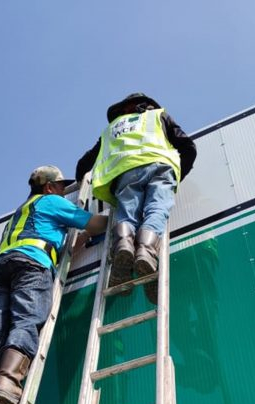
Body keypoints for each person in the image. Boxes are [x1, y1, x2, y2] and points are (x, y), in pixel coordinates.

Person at [0, 165, 108, 404]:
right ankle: (7, 385)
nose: (64, 192)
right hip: (31, 265)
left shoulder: (20, 214)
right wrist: (117, 217)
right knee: (26, 319)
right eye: (61, 187)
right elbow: (92, 223)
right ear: (49, 187)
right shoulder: (50, 201)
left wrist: (78, 241)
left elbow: (57, 250)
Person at [75, 93, 196, 303]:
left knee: (127, 214)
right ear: (146, 104)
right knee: (157, 209)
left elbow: (84, 163)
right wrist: (178, 176)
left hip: (124, 174)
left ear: (123, 109)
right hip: (159, 167)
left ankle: (123, 245)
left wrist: (80, 187)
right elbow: (188, 147)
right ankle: (146, 251)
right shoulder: (158, 116)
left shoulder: (110, 130)